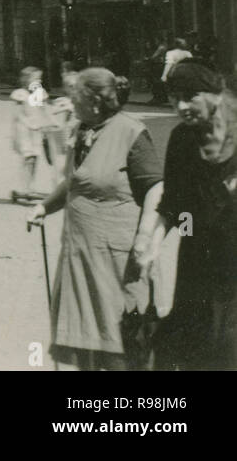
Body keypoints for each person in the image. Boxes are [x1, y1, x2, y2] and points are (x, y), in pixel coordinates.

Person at [27, 68, 164, 370]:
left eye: (75, 96)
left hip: (117, 257)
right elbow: (76, 181)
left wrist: (144, 238)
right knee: (85, 337)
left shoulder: (131, 131)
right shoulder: (82, 130)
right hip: (80, 254)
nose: (69, 101)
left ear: (95, 101)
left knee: (119, 340)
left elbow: (156, 187)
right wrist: (44, 206)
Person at [136, 61, 237, 370]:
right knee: (198, 348)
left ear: (216, 94)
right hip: (198, 260)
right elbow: (176, 205)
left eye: (190, 96)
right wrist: (152, 244)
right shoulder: (182, 139)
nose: (180, 106)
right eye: (173, 97)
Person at [10, 67, 58, 203]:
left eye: (39, 79)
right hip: (23, 131)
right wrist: (30, 124)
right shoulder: (21, 94)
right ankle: (25, 188)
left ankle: (28, 188)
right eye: (35, 79)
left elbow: (45, 110)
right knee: (28, 158)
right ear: (25, 80)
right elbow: (18, 114)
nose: (38, 81)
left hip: (36, 131)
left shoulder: (39, 94)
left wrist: (53, 122)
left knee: (34, 159)